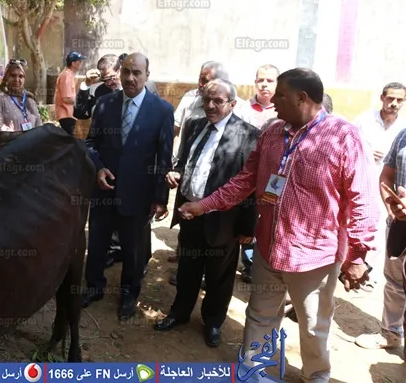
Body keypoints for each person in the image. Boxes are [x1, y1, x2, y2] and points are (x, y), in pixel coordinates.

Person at [179, 68, 379, 383]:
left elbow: (363, 199)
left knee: (313, 325)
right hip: (269, 248)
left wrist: (357, 255)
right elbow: (245, 180)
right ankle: (253, 370)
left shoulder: (344, 136)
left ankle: (316, 375)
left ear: (302, 98)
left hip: (314, 256)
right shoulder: (272, 132)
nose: (272, 101)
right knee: (260, 314)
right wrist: (203, 205)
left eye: (280, 95)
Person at [153, 79, 258, 348]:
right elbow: (187, 161)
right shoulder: (195, 125)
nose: (210, 106)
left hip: (224, 220)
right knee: (187, 268)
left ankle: (212, 322)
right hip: (190, 213)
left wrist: (247, 228)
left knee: (219, 276)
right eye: (206, 100)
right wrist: (177, 173)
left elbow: (251, 186)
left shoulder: (248, 135)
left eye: (217, 101)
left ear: (232, 104)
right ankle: (179, 313)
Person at [82, 53, 174, 321]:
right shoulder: (104, 104)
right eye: (126, 72)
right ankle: (94, 286)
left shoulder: (162, 110)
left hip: (138, 194)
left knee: (133, 249)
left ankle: (129, 295)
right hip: (104, 190)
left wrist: (160, 198)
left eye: (137, 73)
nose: (130, 78)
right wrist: (98, 168)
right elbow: (91, 143)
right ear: (120, 73)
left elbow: (164, 158)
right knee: (97, 243)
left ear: (147, 75)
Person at [355, 127, 406, 351]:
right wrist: (391, 209)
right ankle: (391, 333)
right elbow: (386, 175)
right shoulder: (403, 135)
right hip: (399, 224)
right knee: (394, 282)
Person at [353, 82, 406, 287]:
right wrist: (366, 152)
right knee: (360, 223)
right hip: (362, 182)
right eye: (390, 98)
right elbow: (347, 145)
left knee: (383, 228)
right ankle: (354, 265)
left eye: (399, 100)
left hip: (390, 191)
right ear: (382, 97)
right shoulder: (364, 120)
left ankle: (370, 273)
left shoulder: (403, 128)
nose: (393, 103)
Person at [240, 64, 280, 284]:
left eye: (269, 80)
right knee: (246, 216)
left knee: (266, 216)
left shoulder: (282, 110)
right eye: (260, 80)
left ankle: (262, 262)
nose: (264, 84)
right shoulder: (243, 108)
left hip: (274, 178)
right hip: (247, 173)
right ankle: (248, 262)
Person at [0, 59, 43, 139]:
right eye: (13, 75)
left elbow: (39, 125)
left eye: (21, 76)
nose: (17, 80)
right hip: (6, 146)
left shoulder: (29, 98)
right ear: (6, 77)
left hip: (31, 145)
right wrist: (23, 138)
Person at [54, 51, 85, 136]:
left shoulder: (69, 75)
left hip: (69, 115)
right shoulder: (66, 76)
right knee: (69, 140)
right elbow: (66, 98)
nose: (81, 63)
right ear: (73, 63)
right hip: (66, 115)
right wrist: (81, 102)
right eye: (79, 61)